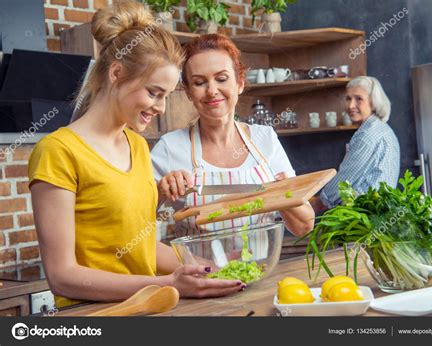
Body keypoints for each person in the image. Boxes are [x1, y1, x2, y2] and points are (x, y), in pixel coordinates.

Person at [28, 3, 244, 309]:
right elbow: (62, 276)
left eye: (166, 96)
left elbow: (140, 248)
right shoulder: (58, 152)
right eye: (154, 93)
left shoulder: (138, 146)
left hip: (149, 308)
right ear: (117, 73)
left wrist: (209, 269)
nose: (161, 108)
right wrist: (169, 283)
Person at [151, 34, 314, 239]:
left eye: (221, 79)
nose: (212, 91)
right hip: (199, 269)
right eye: (199, 82)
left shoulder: (265, 139)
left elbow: (303, 226)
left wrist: (282, 194)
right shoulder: (170, 147)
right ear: (189, 93)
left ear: (240, 83)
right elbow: (135, 222)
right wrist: (161, 194)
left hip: (262, 267)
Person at [311, 76, 400, 213]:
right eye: (348, 98)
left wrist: (319, 202)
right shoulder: (381, 128)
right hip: (378, 214)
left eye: (359, 99)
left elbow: (345, 179)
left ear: (373, 102)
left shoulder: (368, 134)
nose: (351, 105)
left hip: (366, 214)